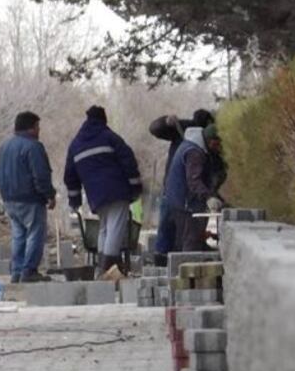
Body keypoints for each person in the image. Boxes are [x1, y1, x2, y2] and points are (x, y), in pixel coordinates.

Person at [64, 106, 143, 274]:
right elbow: (128, 161)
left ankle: (102, 266)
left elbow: (70, 176)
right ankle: (109, 267)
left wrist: (75, 201)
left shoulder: (75, 145)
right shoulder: (110, 137)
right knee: (115, 228)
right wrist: (136, 187)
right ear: (103, 120)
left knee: (104, 228)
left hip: (96, 196)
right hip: (117, 190)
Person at [0, 111, 57, 283]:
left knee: (18, 236)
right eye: (37, 127)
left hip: (9, 199)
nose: (39, 130)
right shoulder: (33, 147)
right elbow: (41, 175)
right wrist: (49, 195)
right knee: (35, 234)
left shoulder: (5, 146)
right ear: (31, 128)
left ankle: (17, 272)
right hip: (30, 199)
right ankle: (29, 271)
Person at [149, 109, 215, 265]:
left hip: (189, 193)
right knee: (168, 227)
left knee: (188, 231)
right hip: (175, 188)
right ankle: (161, 260)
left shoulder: (205, 143)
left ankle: (176, 259)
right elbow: (155, 129)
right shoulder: (183, 130)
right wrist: (165, 121)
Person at [163, 124, 224, 252]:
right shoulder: (194, 153)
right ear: (209, 140)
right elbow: (194, 181)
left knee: (192, 239)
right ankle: (189, 262)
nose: (218, 148)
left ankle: (192, 258)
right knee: (191, 241)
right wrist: (209, 197)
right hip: (185, 204)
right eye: (217, 144)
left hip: (179, 200)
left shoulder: (191, 146)